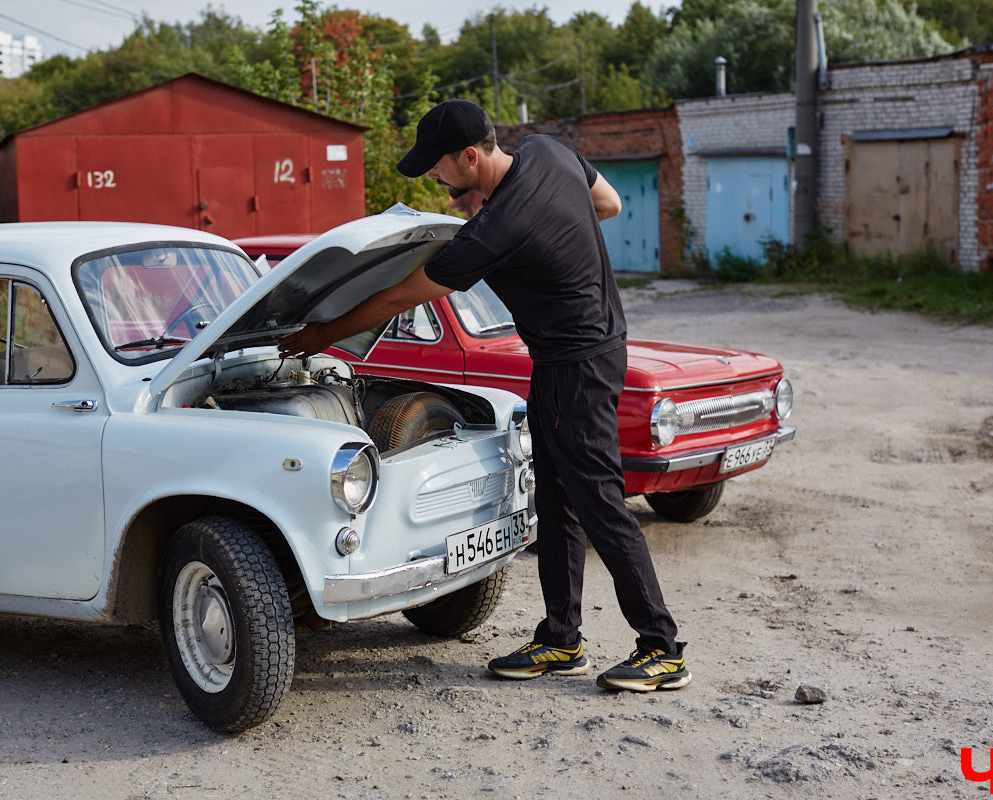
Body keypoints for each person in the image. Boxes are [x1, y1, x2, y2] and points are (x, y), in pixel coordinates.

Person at [280, 99, 690, 693]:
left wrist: (320, 335)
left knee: (599, 500)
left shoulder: (495, 231)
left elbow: (398, 298)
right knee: (555, 499)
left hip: (578, 366)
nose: (433, 176)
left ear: (469, 157)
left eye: (437, 165)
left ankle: (662, 648)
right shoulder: (549, 150)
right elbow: (609, 204)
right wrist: (555, 239)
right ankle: (560, 639)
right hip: (577, 355)